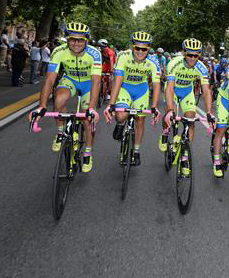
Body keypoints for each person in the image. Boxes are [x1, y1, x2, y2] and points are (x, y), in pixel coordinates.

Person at [29, 22, 101, 173]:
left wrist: (92, 108)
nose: (76, 43)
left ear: (86, 40)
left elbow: (96, 81)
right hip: (70, 81)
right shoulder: (58, 51)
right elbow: (49, 80)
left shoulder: (94, 53)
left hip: (88, 83)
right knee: (58, 100)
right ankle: (61, 132)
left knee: (87, 119)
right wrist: (42, 106)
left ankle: (88, 152)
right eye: (72, 39)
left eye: (80, 40)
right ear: (67, 39)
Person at [104, 32, 161, 166]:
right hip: (125, 88)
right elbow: (117, 80)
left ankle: (136, 151)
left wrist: (154, 107)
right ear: (132, 47)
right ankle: (119, 124)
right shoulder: (123, 56)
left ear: (148, 49)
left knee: (140, 120)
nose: (140, 52)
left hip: (141, 90)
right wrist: (111, 104)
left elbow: (157, 84)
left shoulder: (153, 61)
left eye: (144, 49)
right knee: (121, 115)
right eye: (137, 48)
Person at [159, 38, 215, 166]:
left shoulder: (202, 68)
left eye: (196, 55)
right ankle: (164, 133)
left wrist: (208, 112)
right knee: (168, 113)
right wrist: (170, 110)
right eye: (189, 54)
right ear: (184, 53)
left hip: (187, 92)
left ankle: (184, 156)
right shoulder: (174, 63)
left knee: (191, 120)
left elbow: (206, 91)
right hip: (173, 90)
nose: (193, 58)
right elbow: (170, 88)